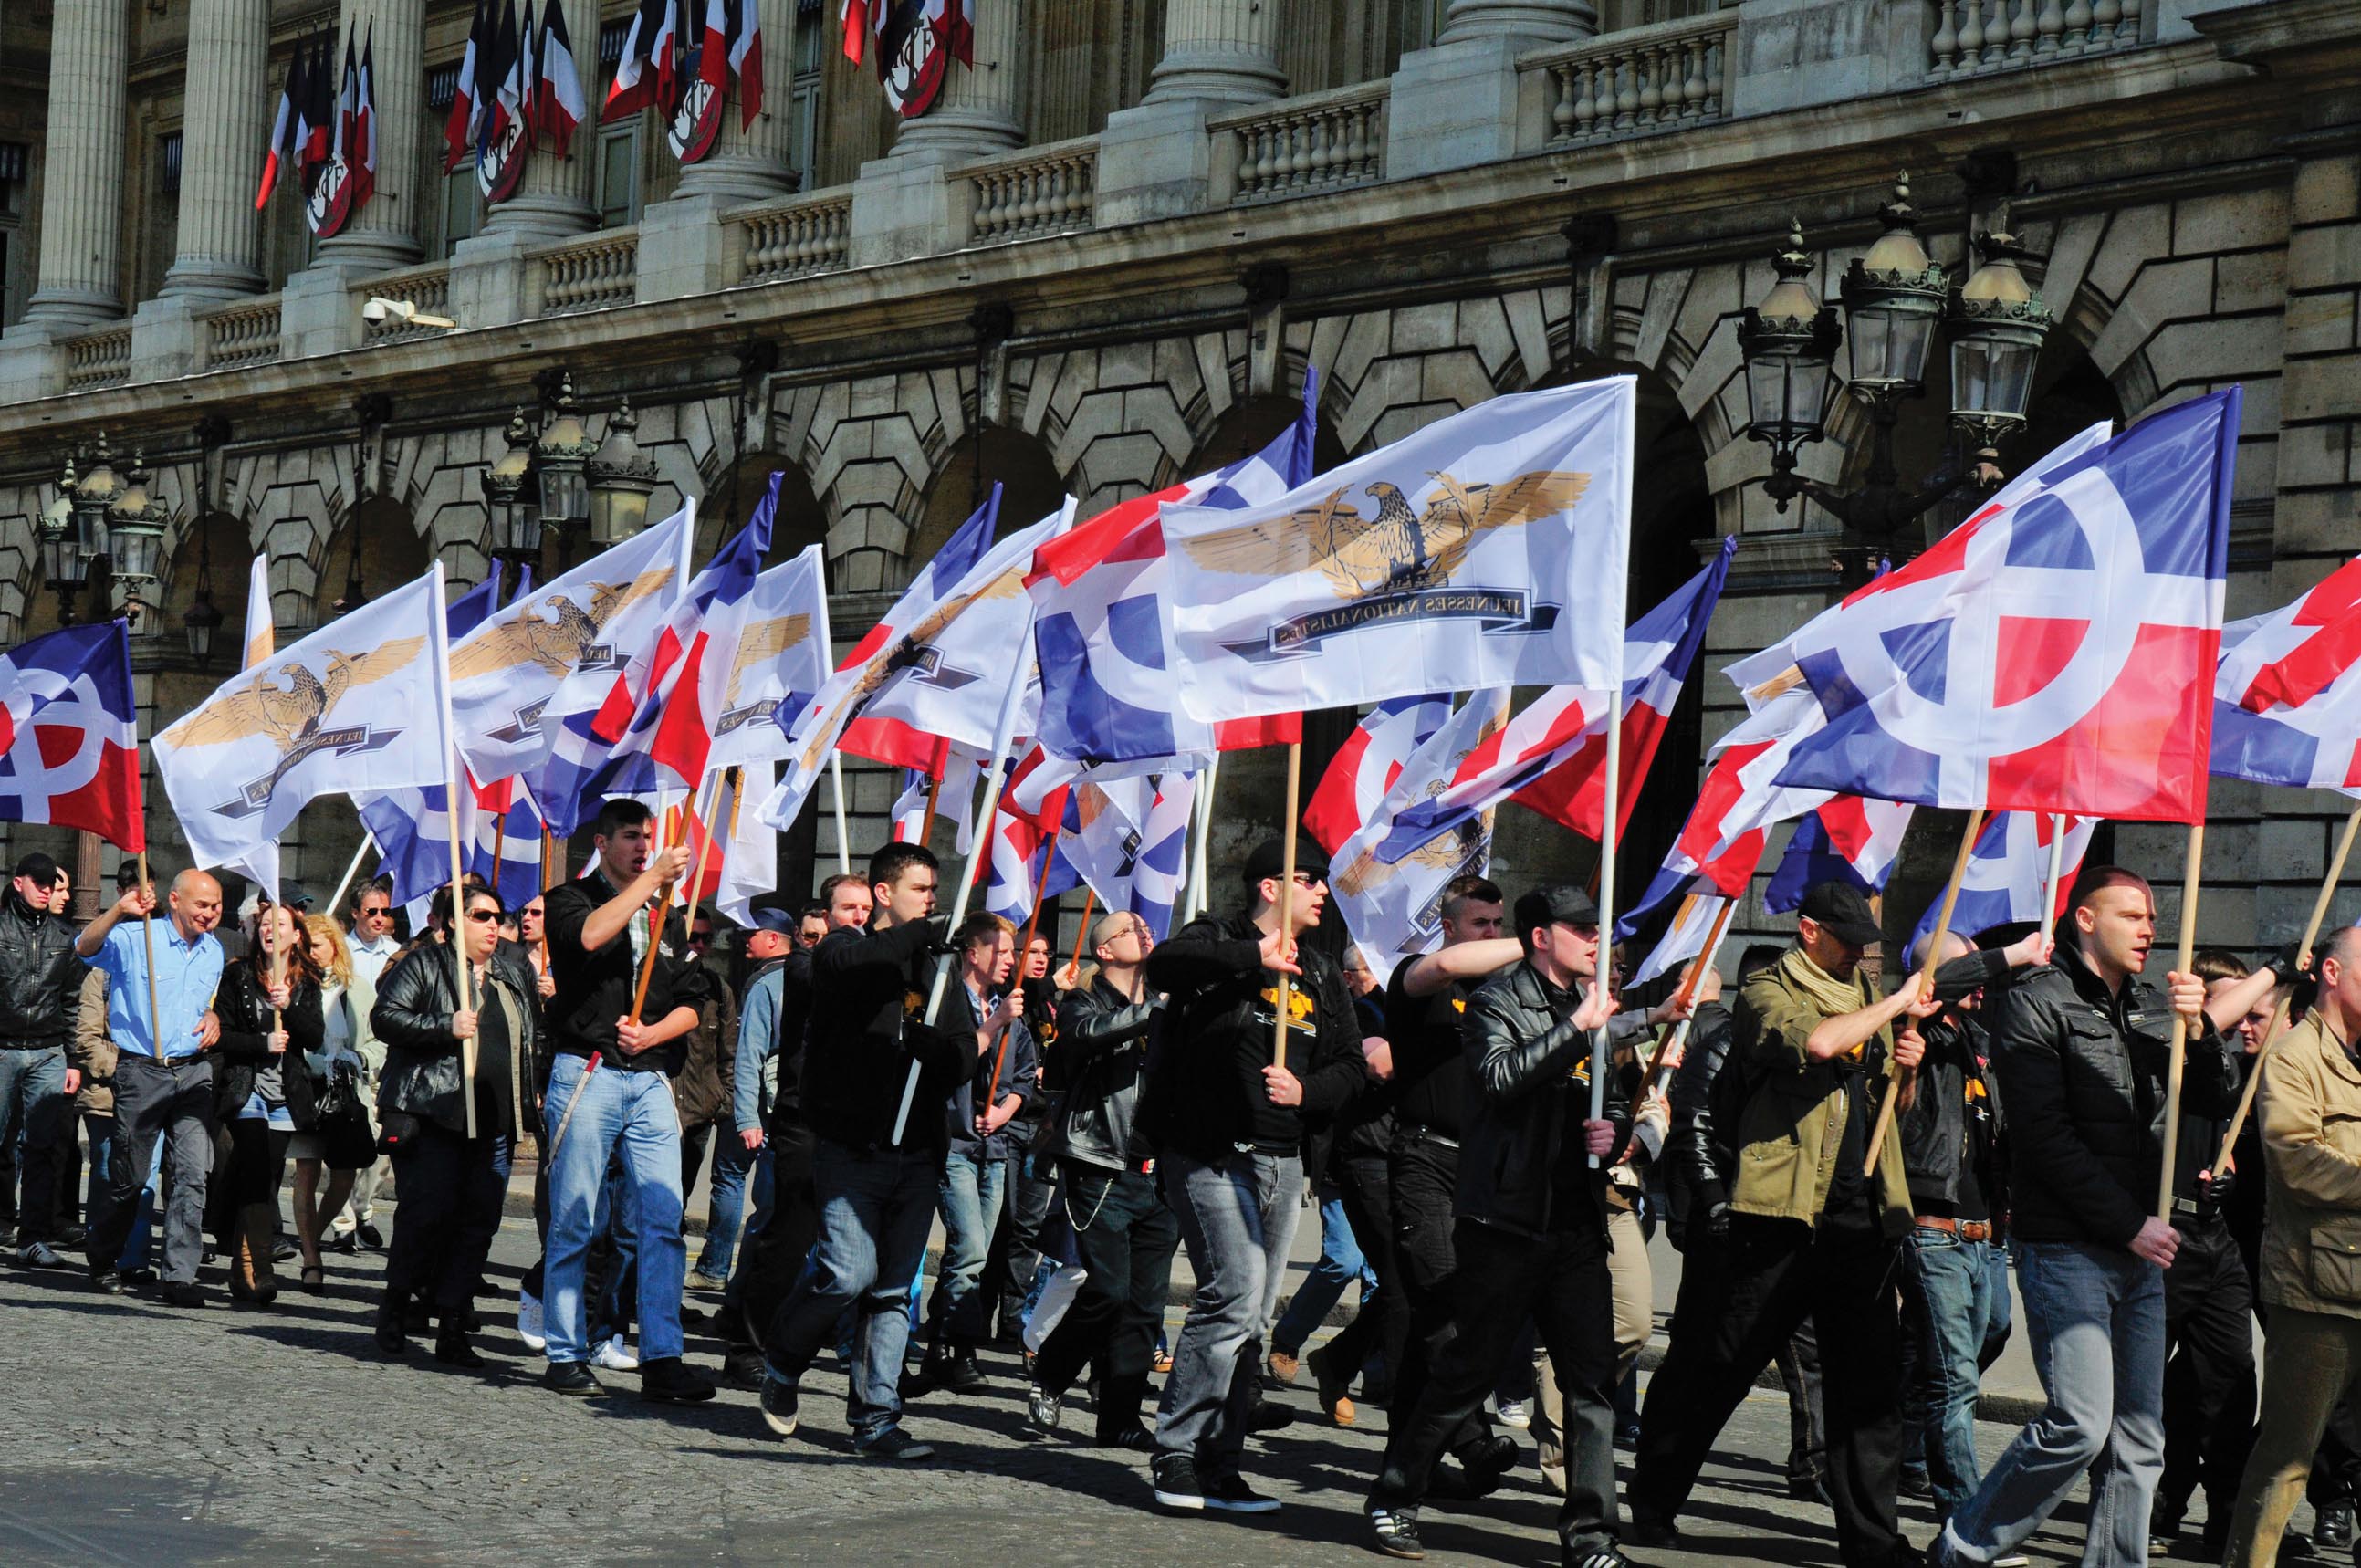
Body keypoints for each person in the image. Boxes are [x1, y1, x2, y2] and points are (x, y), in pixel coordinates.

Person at [1366, 883, 1690, 1566]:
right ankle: (1394, 1496)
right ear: (1541, 936)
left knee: (1592, 1383)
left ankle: (1590, 1537)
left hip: (1573, 1218)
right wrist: (1578, 1030)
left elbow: (1586, 1103)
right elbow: (1500, 1077)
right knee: (1465, 1371)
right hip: (1504, 1219)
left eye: (1598, 929)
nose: (1597, 941)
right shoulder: (1496, 999)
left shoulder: (1585, 1007)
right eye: (1580, 929)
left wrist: (1613, 1134)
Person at [1929, 866, 2237, 1568]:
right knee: (2078, 1425)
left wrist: (2201, 1032)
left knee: (2139, 1438)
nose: (2149, 928)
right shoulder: (2036, 1003)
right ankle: (1963, 1545)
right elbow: (2045, 1137)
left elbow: (2214, 1099)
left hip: (2141, 1251)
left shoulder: (2154, 1008)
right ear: (2085, 920)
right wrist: (2128, 1222)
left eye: (2152, 917)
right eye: (2130, 915)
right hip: (2067, 1245)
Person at [1630, 881, 1931, 1568]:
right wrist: (1893, 1002)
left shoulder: (1868, 1001)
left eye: (1865, 940)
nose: (1858, 950)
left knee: (1868, 1389)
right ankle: (1653, 1501)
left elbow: (1888, 1108)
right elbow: (1821, 1045)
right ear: (1807, 930)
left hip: (1859, 1223)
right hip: (1777, 1219)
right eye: (1846, 937)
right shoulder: (1768, 992)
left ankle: (1872, 1541)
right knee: (1718, 1366)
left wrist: (1905, 1071)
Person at [1141, 838, 1368, 1516]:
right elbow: (1166, 966)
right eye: (1311, 880)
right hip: (1211, 1152)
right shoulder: (1219, 938)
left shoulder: (1323, 971)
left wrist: (1307, 1090)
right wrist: (1250, 959)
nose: (1323, 892)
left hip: (1284, 1159)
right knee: (1231, 1292)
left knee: (1252, 1319)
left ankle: (1222, 1461)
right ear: (1271, 887)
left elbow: (1350, 1065)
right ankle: (1175, 1452)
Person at [757, 843, 987, 1461]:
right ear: (884, 894)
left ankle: (875, 1419)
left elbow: (965, 1054)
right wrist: (916, 938)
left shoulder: (940, 972)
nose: (931, 902)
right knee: (845, 1274)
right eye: (920, 890)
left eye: (935, 891)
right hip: (852, 1148)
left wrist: (930, 1049)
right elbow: (866, 964)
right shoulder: (843, 948)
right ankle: (781, 1358)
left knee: (890, 1292)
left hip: (917, 1153)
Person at [537, 798, 716, 1403]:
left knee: (663, 1220)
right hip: (587, 1071)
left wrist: (654, 1033)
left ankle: (662, 1356)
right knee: (576, 1217)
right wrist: (649, 882)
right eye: (633, 838)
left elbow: (693, 1001)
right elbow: (588, 938)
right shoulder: (572, 898)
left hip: (648, 1079)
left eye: (650, 838)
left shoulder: (669, 915)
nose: (645, 846)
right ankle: (565, 1351)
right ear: (605, 843)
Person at [1656, 940, 1833, 1506]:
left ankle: (1814, 1463)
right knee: (1701, 1352)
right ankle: (1659, 1469)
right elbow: (1694, 1128)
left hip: (1787, 1223)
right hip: (1728, 1225)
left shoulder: (1799, 1048)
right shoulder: (1723, 1046)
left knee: (1807, 1351)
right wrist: (1712, 1203)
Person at [1895, 926, 2052, 1523]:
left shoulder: (1981, 1042)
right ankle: (1962, 1510)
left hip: (1986, 1234)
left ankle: (1907, 1433)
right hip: (1932, 1227)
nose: (1983, 986)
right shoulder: (1918, 1029)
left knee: (1992, 1332)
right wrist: (2009, 955)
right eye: (1973, 974)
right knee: (1955, 1378)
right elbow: (1935, 985)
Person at [2218, 925, 2361, 1566]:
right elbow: (2299, 1162)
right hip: (2317, 1293)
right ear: (2331, 973)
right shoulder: (2294, 1055)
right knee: (2286, 1459)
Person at [1027, 911, 1180, 1449]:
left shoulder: (1167, 1001)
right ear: (1105, 951)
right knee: (1108, 1290)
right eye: (1128, 930)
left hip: (1159, 1171)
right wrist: (1151, 1012)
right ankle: (1050, 1371)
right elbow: (1084, 1038)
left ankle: (1120, 1417)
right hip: (1101, 1163)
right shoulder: (1083, 1002)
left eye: (1146, 928)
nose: (1144, 933)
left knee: (1146, 1305)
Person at [2147, 949, 2282, 1552]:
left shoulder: (2233, 1069)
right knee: (2145, 1386)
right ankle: (2147, 1506)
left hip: (2216, 1239)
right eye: (2229, 1011)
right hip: (2158, 1234)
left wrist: (2224, 1169)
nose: (2239, 1026)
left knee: (2230, 1377)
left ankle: (2226, 1518)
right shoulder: (2162, 1045)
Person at [371, 883, 537, 1367]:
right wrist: (445, 1025)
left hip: (493, 1122)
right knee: (426, 1217)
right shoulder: (424, 964)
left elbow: (531, 1035)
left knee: (477, 1225)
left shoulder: (511, 972)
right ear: (450, 924)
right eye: (481, 916)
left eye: (497, 916)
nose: (493, 925)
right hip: (434, 1114)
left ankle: (453, 1325)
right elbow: (385, 1017)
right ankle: (396, 1309)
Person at [721, 879, 869, 1385]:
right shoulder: (781, 981)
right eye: (848, 908)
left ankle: (825, 1342)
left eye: (866, 908)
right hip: (797, 1122)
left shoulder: (870, 972)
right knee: (785, 1235)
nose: (858, 917)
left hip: (852, 1126)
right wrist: (748, 1118)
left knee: (849, 1248)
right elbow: (750, 1058)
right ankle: (747, 1342)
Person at [78, 870, 225, 1305]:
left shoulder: (213, 952)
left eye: (216, 905)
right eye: (202, 905)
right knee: (130, 1179)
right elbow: (84, 948)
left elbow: (206, 1006)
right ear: (175, 900)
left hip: (193, 1073)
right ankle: (103, 1259)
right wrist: (117, 910)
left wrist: (214, 1018)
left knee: (192, 1174)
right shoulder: (136, 937)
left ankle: (179, 1276)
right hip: (142, 1071)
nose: (210, 914)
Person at [912, 911, 1035, 1394]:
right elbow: (950, 1063)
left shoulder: (1009, 1009)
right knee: (970, 1249)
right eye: (1001, 952)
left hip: (994, 1146)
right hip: (955, 1142)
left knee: (976, 1258)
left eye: (1012, 952)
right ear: (973, 953)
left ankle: (944, 1343)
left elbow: (1024, 1074)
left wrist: (1006, 1110)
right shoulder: (951, 1006)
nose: (1010, 961)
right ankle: (955, 1347)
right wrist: (996, 1022)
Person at [210, 900, 325, 1307]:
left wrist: (287, 1008)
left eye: (281, 924)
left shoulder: (308, 979)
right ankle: (262, 1269)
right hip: (247, 1090)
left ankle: (240, 1270)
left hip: (285, 1096)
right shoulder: (238, 973)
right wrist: (262, 1042)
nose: (270, 930)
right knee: (256, 1170)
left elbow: (314, 1037)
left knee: (265, 1180)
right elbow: (220, 1035)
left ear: (297, 936)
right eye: (264, 923)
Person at [0, 852, 87, 1268]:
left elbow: (72, 1003)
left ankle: (32, 1237)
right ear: (19, 883)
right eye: (39, 883)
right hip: (3, 1047)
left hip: (49, 1050)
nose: (47, 890)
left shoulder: (64, 937)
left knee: (41, 1146)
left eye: (51, 884)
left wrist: (73, 1060)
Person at [287, 914, 376, 1293]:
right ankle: (311, 1257)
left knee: (344, 1176)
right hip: (307, 1093)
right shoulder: (293, 988)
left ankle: (314, 1238)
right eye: (305, 947)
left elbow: (378, 1038)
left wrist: (359, 1059)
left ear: (335, 947)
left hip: (347, 1097)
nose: (311, 953)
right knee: (305, 1174)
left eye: (317, 946)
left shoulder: (358, 990)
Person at [329, 876, 401, 1254]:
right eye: (371, 911)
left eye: (385, 912)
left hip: (384, 1058)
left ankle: (363, 1208)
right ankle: (343, 1224)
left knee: (380, 1150)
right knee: (348, 1142)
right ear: (355, 912)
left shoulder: (396, 953)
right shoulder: (345, 953)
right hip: (351, 1056)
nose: (378, 919)